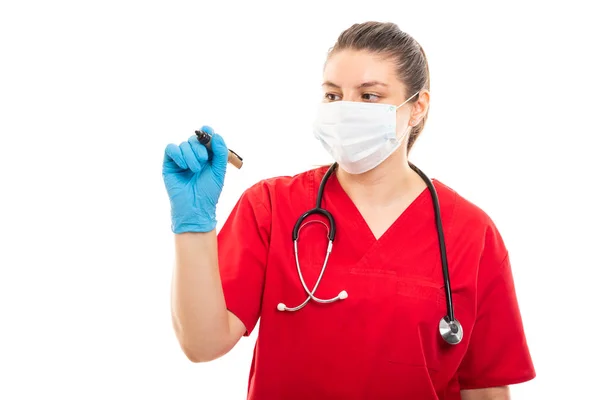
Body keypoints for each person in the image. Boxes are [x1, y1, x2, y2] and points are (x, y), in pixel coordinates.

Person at [162, 21, 535, 400]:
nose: (346, 110)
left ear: (417, 107)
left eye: (369, 96)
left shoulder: (470, 233)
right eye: (333, 95)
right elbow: (202, 343)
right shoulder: (272, 206)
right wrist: (193, 223)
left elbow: (485, 389)